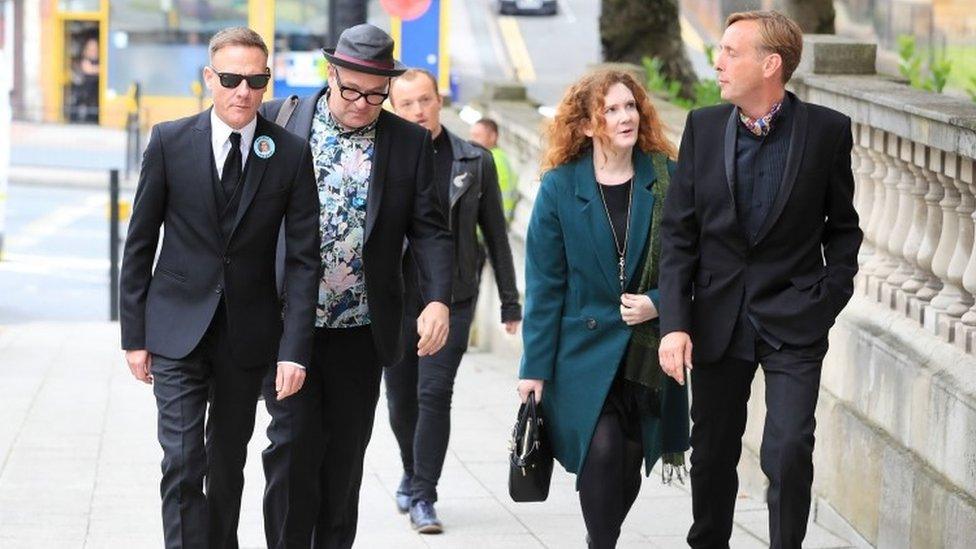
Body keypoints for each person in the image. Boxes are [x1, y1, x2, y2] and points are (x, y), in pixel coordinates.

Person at [657, 11, 863, 549]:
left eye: (730, 52)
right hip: (718, 319)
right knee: (713, 453)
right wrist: (675, 325)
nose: (717, 61)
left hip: (795, 319)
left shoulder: (827, 131)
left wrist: (825, 299)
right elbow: (678, 237)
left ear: (770, 64)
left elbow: (844, 231)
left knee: (789, 451)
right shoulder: (702, 127)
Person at [119, 27, 320, 549]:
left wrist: (294, 350)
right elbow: (140, 243)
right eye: (231, 79)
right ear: (210, 78)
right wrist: (133, 336)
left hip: (248, 336)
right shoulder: (168, 141)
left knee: (227, 467)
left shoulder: (291, 154)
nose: (243, 92)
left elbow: (302, 261)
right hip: (175, 328)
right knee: (184, 461)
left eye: (256, 81)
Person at [258, 24, 453, 548]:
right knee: (291, 452)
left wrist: (437, 298)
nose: (363, 103)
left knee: (343, 464)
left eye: (375, 93)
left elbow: (431, 229)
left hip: (360, 332)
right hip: (288, 328)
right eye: (351, 90)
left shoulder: (409, 143)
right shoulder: (280, 122)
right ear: (331, 73)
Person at [516, 69, 690, 549]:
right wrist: (533, 368)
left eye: (630, 106)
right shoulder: (559, 187)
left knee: (631, 457)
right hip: (580, 352)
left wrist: (658, 304)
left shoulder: (667, 179)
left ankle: (602, 540)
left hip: (644, 352)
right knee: (605, 448)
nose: (624, 116)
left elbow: (697, 264)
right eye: (610, 109)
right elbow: (545, 285)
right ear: (587, 125)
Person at [386, 68, 522, 533]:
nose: (418, 111)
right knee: (401, 400)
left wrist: (509, 302)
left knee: (433, 393)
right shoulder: (383, 156)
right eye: (407, 104)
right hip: (397, 300)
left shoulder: (473, 160)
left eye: (425, 100)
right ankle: (411, 467)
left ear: (438, 101)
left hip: (455, 296)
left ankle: (424, 494)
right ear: (393, 107)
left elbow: (497, 237)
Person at [470, 118, 518, 223]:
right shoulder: (501, 157)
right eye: (472, 136)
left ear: (492, 137)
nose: (472, 141)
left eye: (477, 136)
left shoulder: (489, 161)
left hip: (488, 227)